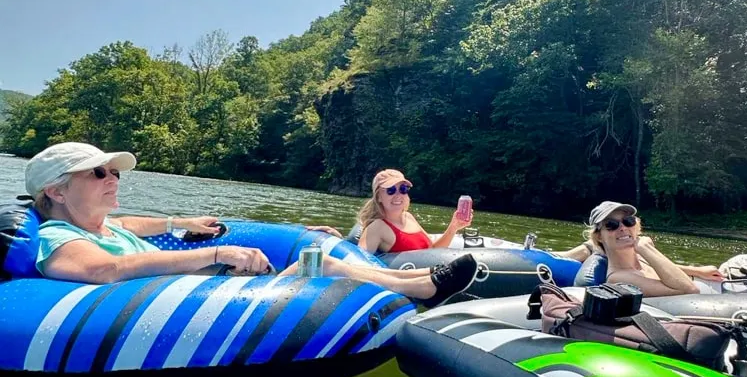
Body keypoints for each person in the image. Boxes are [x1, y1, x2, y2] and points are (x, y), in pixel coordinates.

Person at [23, 142, 477, 306]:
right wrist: (219, 252)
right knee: (317, 264)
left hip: (205, 287)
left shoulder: (107, 226)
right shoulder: (58, 235)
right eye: (99, 173)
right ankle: (420, 287)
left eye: (115, 172)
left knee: (316, 258)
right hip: (178, 304)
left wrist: (181, 220)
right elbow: (102, 271)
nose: (112, 179)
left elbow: (135, 224)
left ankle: (418, 278)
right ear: (56, 192)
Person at [560, 202, 725, 289]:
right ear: (599, 237)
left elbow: (668, 268)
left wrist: (698, 271)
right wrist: (647, 249)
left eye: (628, 221)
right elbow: (688, 289)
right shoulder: (619, 278)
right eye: (611, 225)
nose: (623, 227)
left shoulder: (639, 258)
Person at [357, 169, 473, 256]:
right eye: (391, 190)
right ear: (378, 197)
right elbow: (357, 262)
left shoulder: (408, 217)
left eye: (403, 189)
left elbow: (433, 251)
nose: (398, 195)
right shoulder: (377, 227)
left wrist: (453, 227)